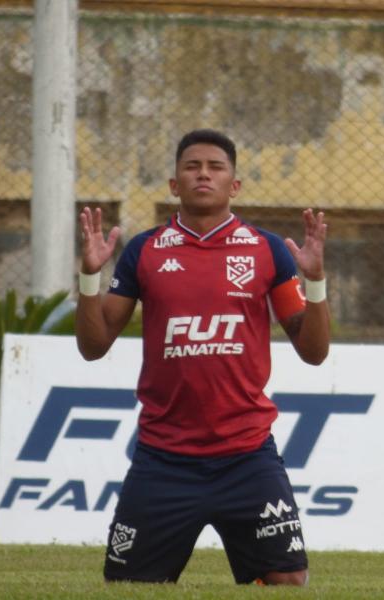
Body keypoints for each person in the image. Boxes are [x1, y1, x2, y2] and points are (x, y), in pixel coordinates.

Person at [75, 129, 330, 586]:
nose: (203, 175)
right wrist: (91, 276)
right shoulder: (145, 250)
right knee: (129, 588)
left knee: (288, 581)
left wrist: (315, 284)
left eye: (216, 167)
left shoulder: (267, 249)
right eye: (192, 167)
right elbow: (94, 347)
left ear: (234, 185)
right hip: (163, 457)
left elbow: (313, 352)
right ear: (175, 184)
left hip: (247, 455)